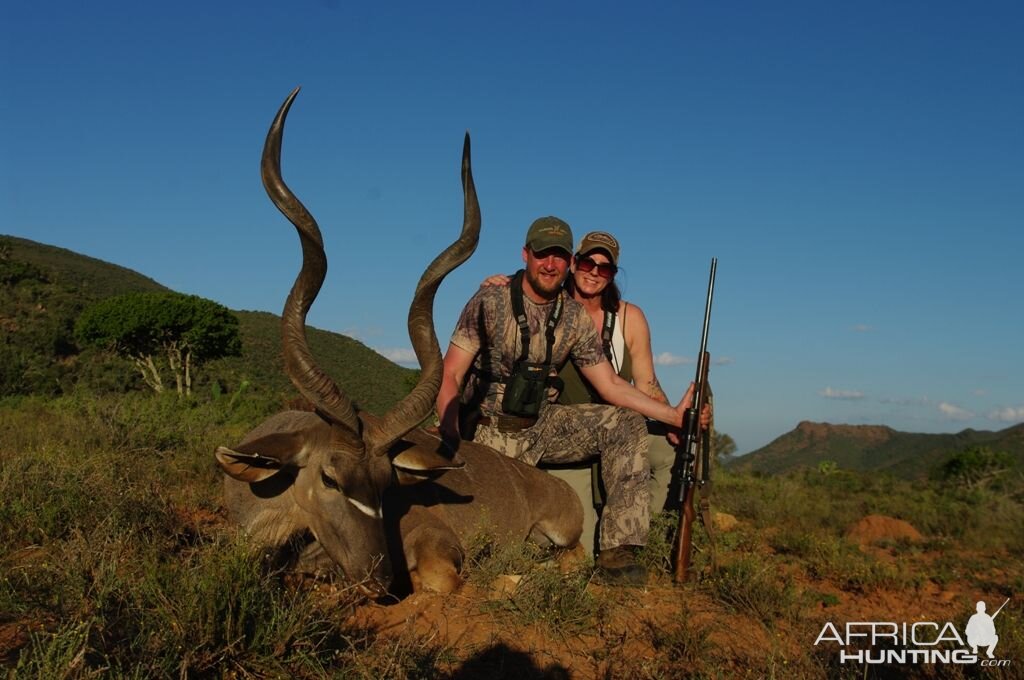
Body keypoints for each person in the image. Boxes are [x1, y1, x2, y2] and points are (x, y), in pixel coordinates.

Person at [436, 216, 704, 585]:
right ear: (526, 254)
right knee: (493, 538)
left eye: (559, 256)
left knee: (624, 422)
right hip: (490, 431)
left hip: (543, 425)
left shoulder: (574, 316)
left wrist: (674, 416)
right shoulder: (489, 301)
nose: (551, 264)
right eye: (543, 254)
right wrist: (450, 435)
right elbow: (449, 374)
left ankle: (618, 553)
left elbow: (611, 384)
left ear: (568, 262)